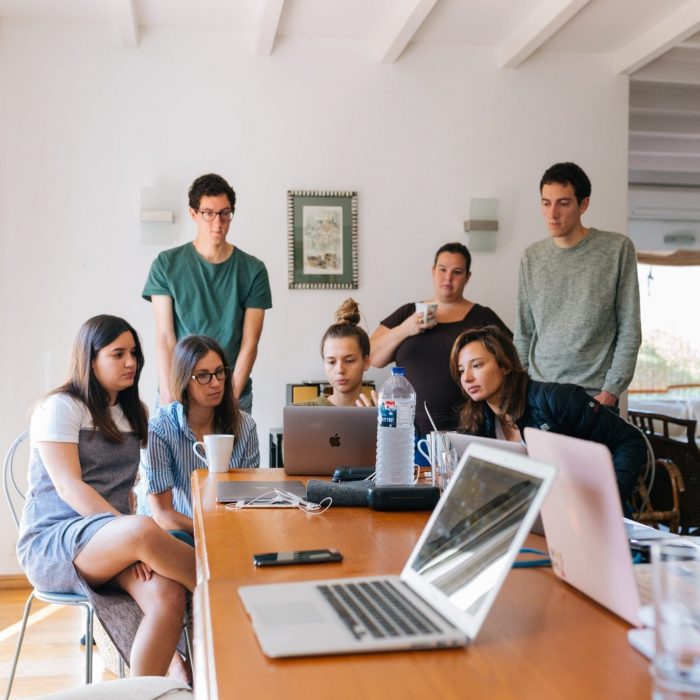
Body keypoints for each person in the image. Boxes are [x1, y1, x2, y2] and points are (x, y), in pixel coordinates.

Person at [16, 315, 196, 679]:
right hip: (56, 542)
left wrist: (129, 539)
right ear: (91, 357)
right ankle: (231, 594)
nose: (131, 362)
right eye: (118, 354)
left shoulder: (133, 413)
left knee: (168, 596)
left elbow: (126, 490)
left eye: (134, 353)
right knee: (146, 530)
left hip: (115, 541)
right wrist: (130, 535)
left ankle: (143, 689)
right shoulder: (61, 407)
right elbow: (70, 487)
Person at [450, 325, 645, 506]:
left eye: (476, 366)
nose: (466, 378)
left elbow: (630, 440)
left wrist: (611, 501)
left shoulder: (556, 399)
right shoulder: (478, 421)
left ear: (505, 365)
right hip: (535, 515)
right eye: (461, 371)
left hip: (587, 510)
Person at [515, 162, 641, 409]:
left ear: (583, 205)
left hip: (594, 397)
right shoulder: (532, 256)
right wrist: (521, 388)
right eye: (546, 203)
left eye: (563, 203)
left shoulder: (616, 249)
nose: (552, 214)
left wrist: (611, 390)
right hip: (539, 393)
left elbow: (629, 328)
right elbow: (523, 332)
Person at [142, 173, 272, 412]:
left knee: (233, 451)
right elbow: (165, 337)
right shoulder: (166, 265)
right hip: (180, 391)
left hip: (232, 392)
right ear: (193, 213)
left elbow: (250, 343)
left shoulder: (253, 270)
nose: (218, 222)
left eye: (225, 213)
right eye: (208, 213)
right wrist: (170, 396)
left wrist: (230, 400)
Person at [370, 242, 511, 436]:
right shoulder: (408, 313)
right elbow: (372, 357)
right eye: (442, 269)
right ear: (433, 271)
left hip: (471, 429)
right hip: (408, 433)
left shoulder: (482, 317)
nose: (448, 277)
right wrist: (404, 329)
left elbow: (511, 364)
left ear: (468, 277)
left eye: (457, 272)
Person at [137, 335, 259, 538]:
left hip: (226, 529)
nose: (216, 383)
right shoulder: (159, 429)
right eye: (203, 376)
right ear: (184, 380)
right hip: (173, 533)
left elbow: (246, 499)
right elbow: (163, 515)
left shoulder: (245, 425)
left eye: (220, 372)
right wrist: (211, 531)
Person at [295, 299, 376, 408]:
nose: (340, 370)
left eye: (349, 361)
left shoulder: (382, 412)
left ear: (366, 362)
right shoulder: (300, 412)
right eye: (331, 362)